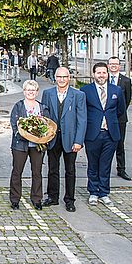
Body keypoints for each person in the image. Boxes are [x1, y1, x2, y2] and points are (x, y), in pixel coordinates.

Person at [41, 68, 86, 212]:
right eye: (59, 77)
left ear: (69, 78)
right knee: (52, 169)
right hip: (53, 138)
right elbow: (44, 117)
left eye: (64, 77)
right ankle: (53, 197)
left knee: (70, 170)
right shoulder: (47, 94)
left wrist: (78, 141)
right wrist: (44, 137)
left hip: (71, 138)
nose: (61, 80)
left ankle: (69, 199)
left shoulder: (78, 95)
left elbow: (82, 119)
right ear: (55, 77)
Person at [81, 62, 126, 206]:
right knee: (93, 164)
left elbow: (120, 110)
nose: (101, 75)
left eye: (104, 73)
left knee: (106, 165)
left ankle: (104, 192)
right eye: (98, 73)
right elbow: (83, 111)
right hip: (93, 134)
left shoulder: (116, 90)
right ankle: (93, 192)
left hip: (110, 134)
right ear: (93, 74)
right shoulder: (85, 90)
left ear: (108, 74)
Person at [9, 80, 50, 210]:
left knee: (37, 172)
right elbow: (14, 123)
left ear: (37, 92)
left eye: (33, 90)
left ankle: (37, 198)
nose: (31, 92)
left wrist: (41, 137)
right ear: (24, 92)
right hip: (20, 145)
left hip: (37, 146)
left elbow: (47, 125)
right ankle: (15, 199)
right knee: (17, 171)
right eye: (28, 90)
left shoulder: (42, 108)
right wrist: (24, 135)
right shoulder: (19, 106)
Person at [107, 56, 132, 181]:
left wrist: (119, 112)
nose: (113, 66)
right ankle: (104, 168)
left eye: (115, 64)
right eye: (111, 64)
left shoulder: (126, 81)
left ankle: (121, 169)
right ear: (108, 65)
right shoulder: (103, 79)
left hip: (120, 118)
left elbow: (127, 100)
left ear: (119, 65)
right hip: (105, 117)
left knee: (120, 144)